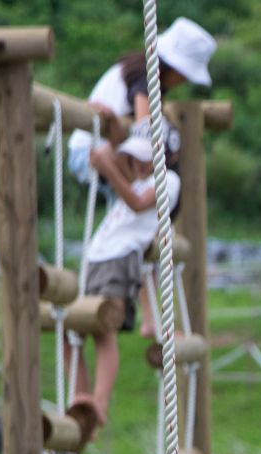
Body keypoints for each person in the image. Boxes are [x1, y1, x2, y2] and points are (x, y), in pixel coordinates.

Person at [65, 135, 181, 428]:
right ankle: (80, 401)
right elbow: (118, 167)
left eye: (144, 160)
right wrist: (105, 153)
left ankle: (100, 404)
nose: (138, 166)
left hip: (121, 258)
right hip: (96, 256)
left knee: (104, 328)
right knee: (72, 332)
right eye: (134, 160)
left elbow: (138, 203)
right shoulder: (135, 178)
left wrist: (109, 165)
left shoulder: (169, 180)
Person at [66, 17, 215, 186]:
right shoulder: (146, 79)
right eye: (185, 75)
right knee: (143, 193)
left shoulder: (140, 71)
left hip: (97, 149)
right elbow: (144, 133)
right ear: (174, 69)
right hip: (89, 152)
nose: (184, 81)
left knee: (141, 195)